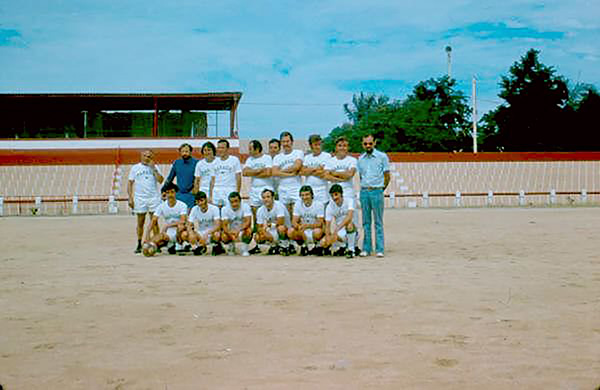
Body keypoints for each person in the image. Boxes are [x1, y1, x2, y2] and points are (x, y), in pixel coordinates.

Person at [357, 133, 390, 258]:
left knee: (378, 222)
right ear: (362, 144)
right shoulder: (360, 159)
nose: (368, 146)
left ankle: (380, 248)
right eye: (365, 144)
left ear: (375, 143)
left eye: (370, 143)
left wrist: (381, 189)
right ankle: (366, 248)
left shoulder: (382, 157)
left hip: (377, 191)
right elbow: (361, 176)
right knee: (366, 222)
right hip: (364, 191)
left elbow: (387, 176)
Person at [127, 149, 164, 253]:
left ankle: (156, 243)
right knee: (140, 222)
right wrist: (130, 197)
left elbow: (161, 180)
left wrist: (154, 169)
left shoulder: (155, 167)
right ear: (141, 156)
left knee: (155, 222)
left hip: (153, 198)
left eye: (149, 156)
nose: (146, 158)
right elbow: (130, 183)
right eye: (145, 155)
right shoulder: (135, 168)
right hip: (140, 198)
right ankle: (139, 243)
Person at [143, 183, 188, 256]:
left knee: (181, 227)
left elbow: (183, 221)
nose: (170, 195)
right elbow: (153, 220)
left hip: (180, 231)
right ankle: (168, 245)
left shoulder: (182, 205)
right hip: (168, 233)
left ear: (175, 193)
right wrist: (147, 235)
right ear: (165, 194)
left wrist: (167, 225)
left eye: (172, 192)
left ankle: (180, 245)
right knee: (153, 240)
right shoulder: (161, 206)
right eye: (168, 192)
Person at [320, 184, 358, 259]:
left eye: (336, 194)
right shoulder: (330, 206)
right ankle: (343, 247)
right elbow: (327, 225)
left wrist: (337, 229)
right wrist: (327, 237)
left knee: (349, 224)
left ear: (341, 194)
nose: (334, 197)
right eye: (332, 195)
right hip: (339, 232)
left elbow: (349, 217)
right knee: (323, 242)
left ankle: (351, 249)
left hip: (353, 230)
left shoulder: (349, 200)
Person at [272, 131, 304, 219]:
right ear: (281, 143)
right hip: (282, 189)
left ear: (292, 142)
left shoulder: (298, 153)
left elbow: (296, 167)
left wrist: (281, 172)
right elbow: (274, 172)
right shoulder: (277, 157)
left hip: (296, 187)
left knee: (297, 214)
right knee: (285, 215)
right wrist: (289, 174)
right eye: (283, 142)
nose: (285, 144)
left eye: (287, 141)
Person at [242, 140, 273, 225]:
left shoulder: (267, 158)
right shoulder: (249, 160)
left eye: (250, 148)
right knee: (255, 213)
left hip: (266, 188)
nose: (249, 151)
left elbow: (268, 173)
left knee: (267, 212)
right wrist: (258, 170)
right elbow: (244, 173)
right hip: (254, 190)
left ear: (257, 149)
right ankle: (256, 232)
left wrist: (252, 173)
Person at [288, 185, 325, 256]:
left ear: (312, 195)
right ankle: (303, 245)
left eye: (307, 194)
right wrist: (299, 227)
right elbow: (294, 221)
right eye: (302, 195)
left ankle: (317, 245)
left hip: (314, 229)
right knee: (290, 231)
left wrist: (308, 226)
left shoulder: (319, 204)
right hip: (303, 229)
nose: (305, 197)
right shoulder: (298, 204)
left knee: (318, 232)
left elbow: (320, 223)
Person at [255, 189, 292, 255]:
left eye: (268, 197)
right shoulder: (260, 210)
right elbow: (259, 226)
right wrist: (263, 232)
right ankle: (273, 246)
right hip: (271, 230)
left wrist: (269, 225)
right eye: (264, 197)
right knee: (257, 237)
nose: (266, 199)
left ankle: (285, 246)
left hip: (284, 230)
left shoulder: (279, 206)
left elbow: (281, 222)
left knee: (281, 228)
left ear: (273, 198)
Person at [186, 191, 221, 256]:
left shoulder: (214, 208)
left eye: (201, 200)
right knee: (189, 234)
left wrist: (207, 233)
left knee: (217, 234)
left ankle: (216, 246)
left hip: (211, 232)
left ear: (206, 200)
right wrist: (191, 233)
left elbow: (218, 225)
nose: (200, 203)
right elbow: (189, 224)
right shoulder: (194, 209)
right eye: (198, 201)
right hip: (200, 232)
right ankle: (199, 247)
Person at [165, 143, 198, 210]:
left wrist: (195, 190)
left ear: (190, 152)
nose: (184, 153)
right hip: (179, 195)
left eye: (186, 151)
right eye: (182, 151)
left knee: (190, 217)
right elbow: (169, 179)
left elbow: (200, 179)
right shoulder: (177, 163)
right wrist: (164, 190)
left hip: (191, 195)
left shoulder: (197, 163)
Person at [210, 139, 242, 208]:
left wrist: (237, 193)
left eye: (222, 148)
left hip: (230, 189)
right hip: (217, 190)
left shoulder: (234, 160)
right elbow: (212, 180)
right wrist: (210, 196)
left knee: (228, 213)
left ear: (227, 149)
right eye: (218, 147)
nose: (220, 150)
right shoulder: (214, 162)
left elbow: (238, 177)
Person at [301, 134, 331, 206]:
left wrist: (309, 171)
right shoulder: (307, 157)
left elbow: (324, 173)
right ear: (311, 146)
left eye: (319, 144)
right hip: (310, 192)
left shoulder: (327, 156)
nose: (318, 147)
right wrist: (316, 168)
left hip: (322, 191)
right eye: (315, 145)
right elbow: (303, 172)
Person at [324, 136, 357, 201]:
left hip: (348, 194)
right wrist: (342, 179)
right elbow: (326, 176)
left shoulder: (352, 160)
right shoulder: (329, 161)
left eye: (344, 146)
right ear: (336, 148)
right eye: (340, 146)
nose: (342, 148)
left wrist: (333, 173)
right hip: (334, 194)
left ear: (348, 147)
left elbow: (349, 175)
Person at [220, 191, 252, 256]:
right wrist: (230, 233)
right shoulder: (225, 209)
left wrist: (238, 230)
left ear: (240, 201)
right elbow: (224, 225)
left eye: (236, 201)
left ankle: (244, 249)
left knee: (249, 230)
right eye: (232, 202)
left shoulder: (245, 206)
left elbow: (248, 222)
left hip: (242, 230)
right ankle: (231, 247)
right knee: (223, 236)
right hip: (231, 231)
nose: (234, 204)